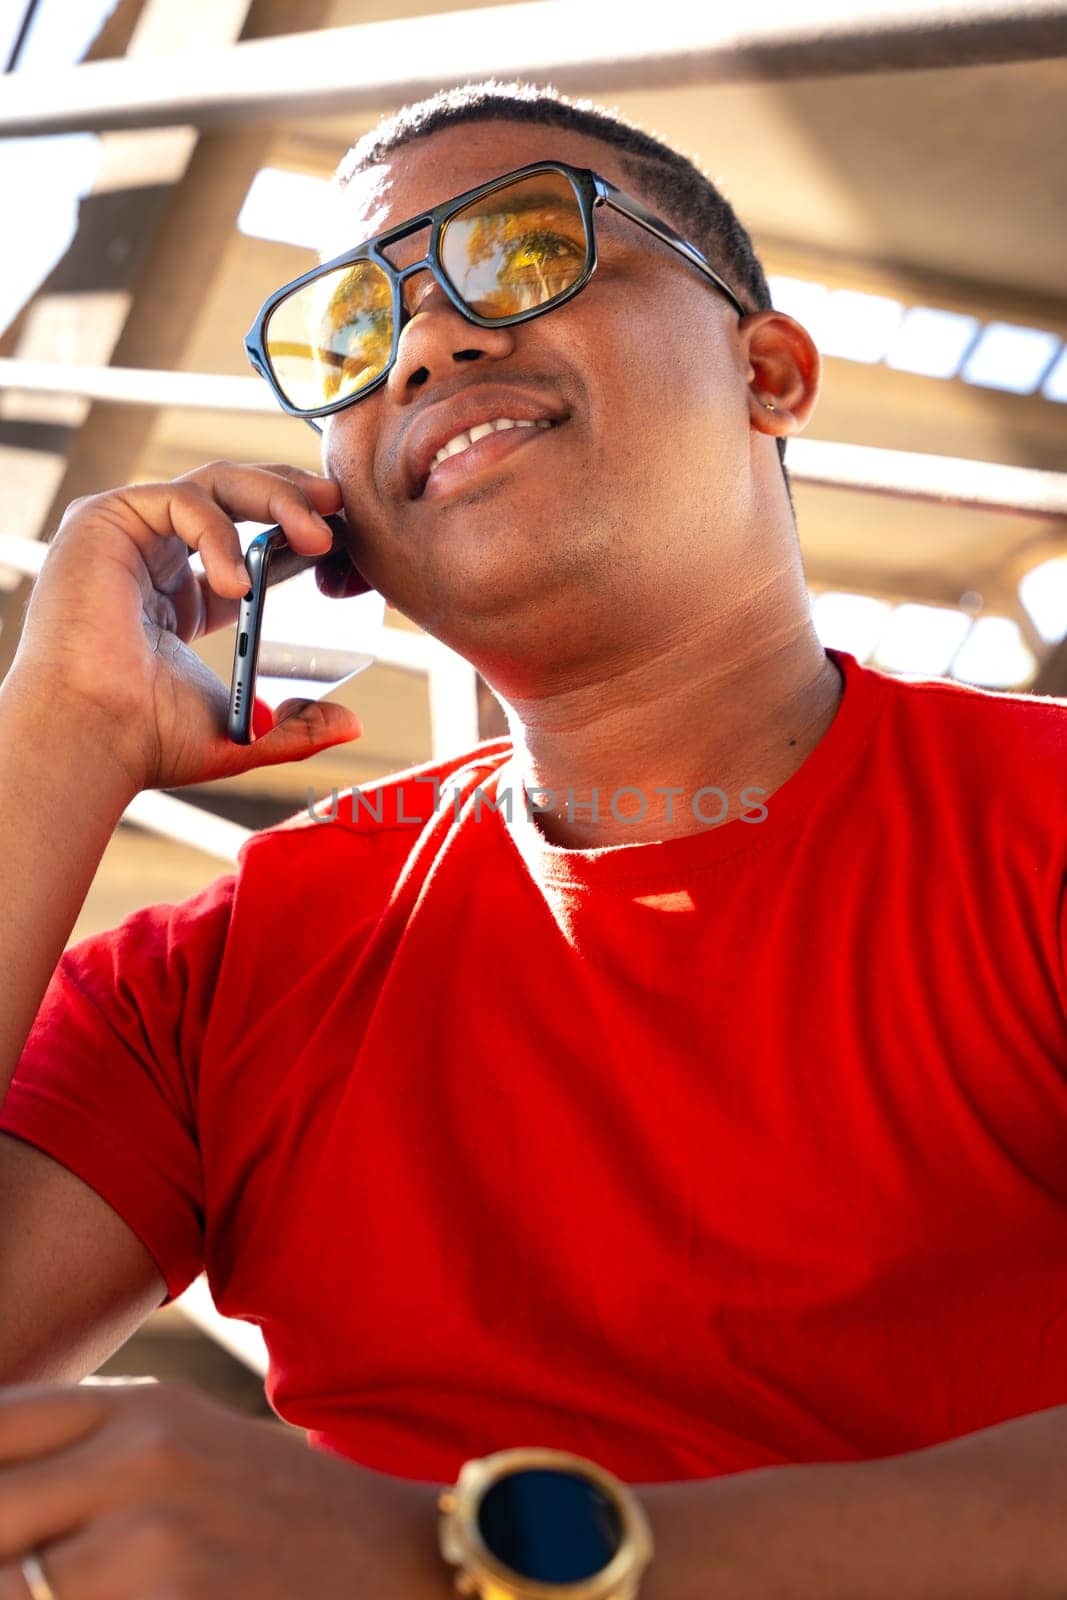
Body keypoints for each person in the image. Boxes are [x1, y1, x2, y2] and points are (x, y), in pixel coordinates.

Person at [1, 75, 1066, 1599]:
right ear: (341, 530)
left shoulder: (1040, 825)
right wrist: (58, 735)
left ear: (768, 369)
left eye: (521, 248)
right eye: (354, 336)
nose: (431, 339)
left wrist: (469, 1560)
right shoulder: (233, 970)